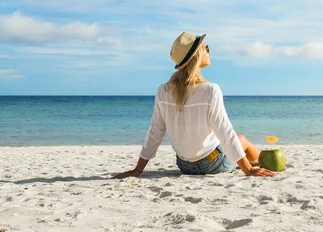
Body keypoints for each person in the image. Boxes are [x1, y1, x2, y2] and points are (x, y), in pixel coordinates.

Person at [114, 32, 275, 178]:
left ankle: (256, 162)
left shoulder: (163, 91)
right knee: (240, 139)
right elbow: (225, 132)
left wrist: (138, 170)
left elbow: (155, 132)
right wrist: (247, 170)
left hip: (184, 166)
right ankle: (262, 162)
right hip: (212, 164)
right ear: (197, 55)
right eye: (206, 48)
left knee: (229, 142)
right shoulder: (210, 90)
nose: (209, 52)